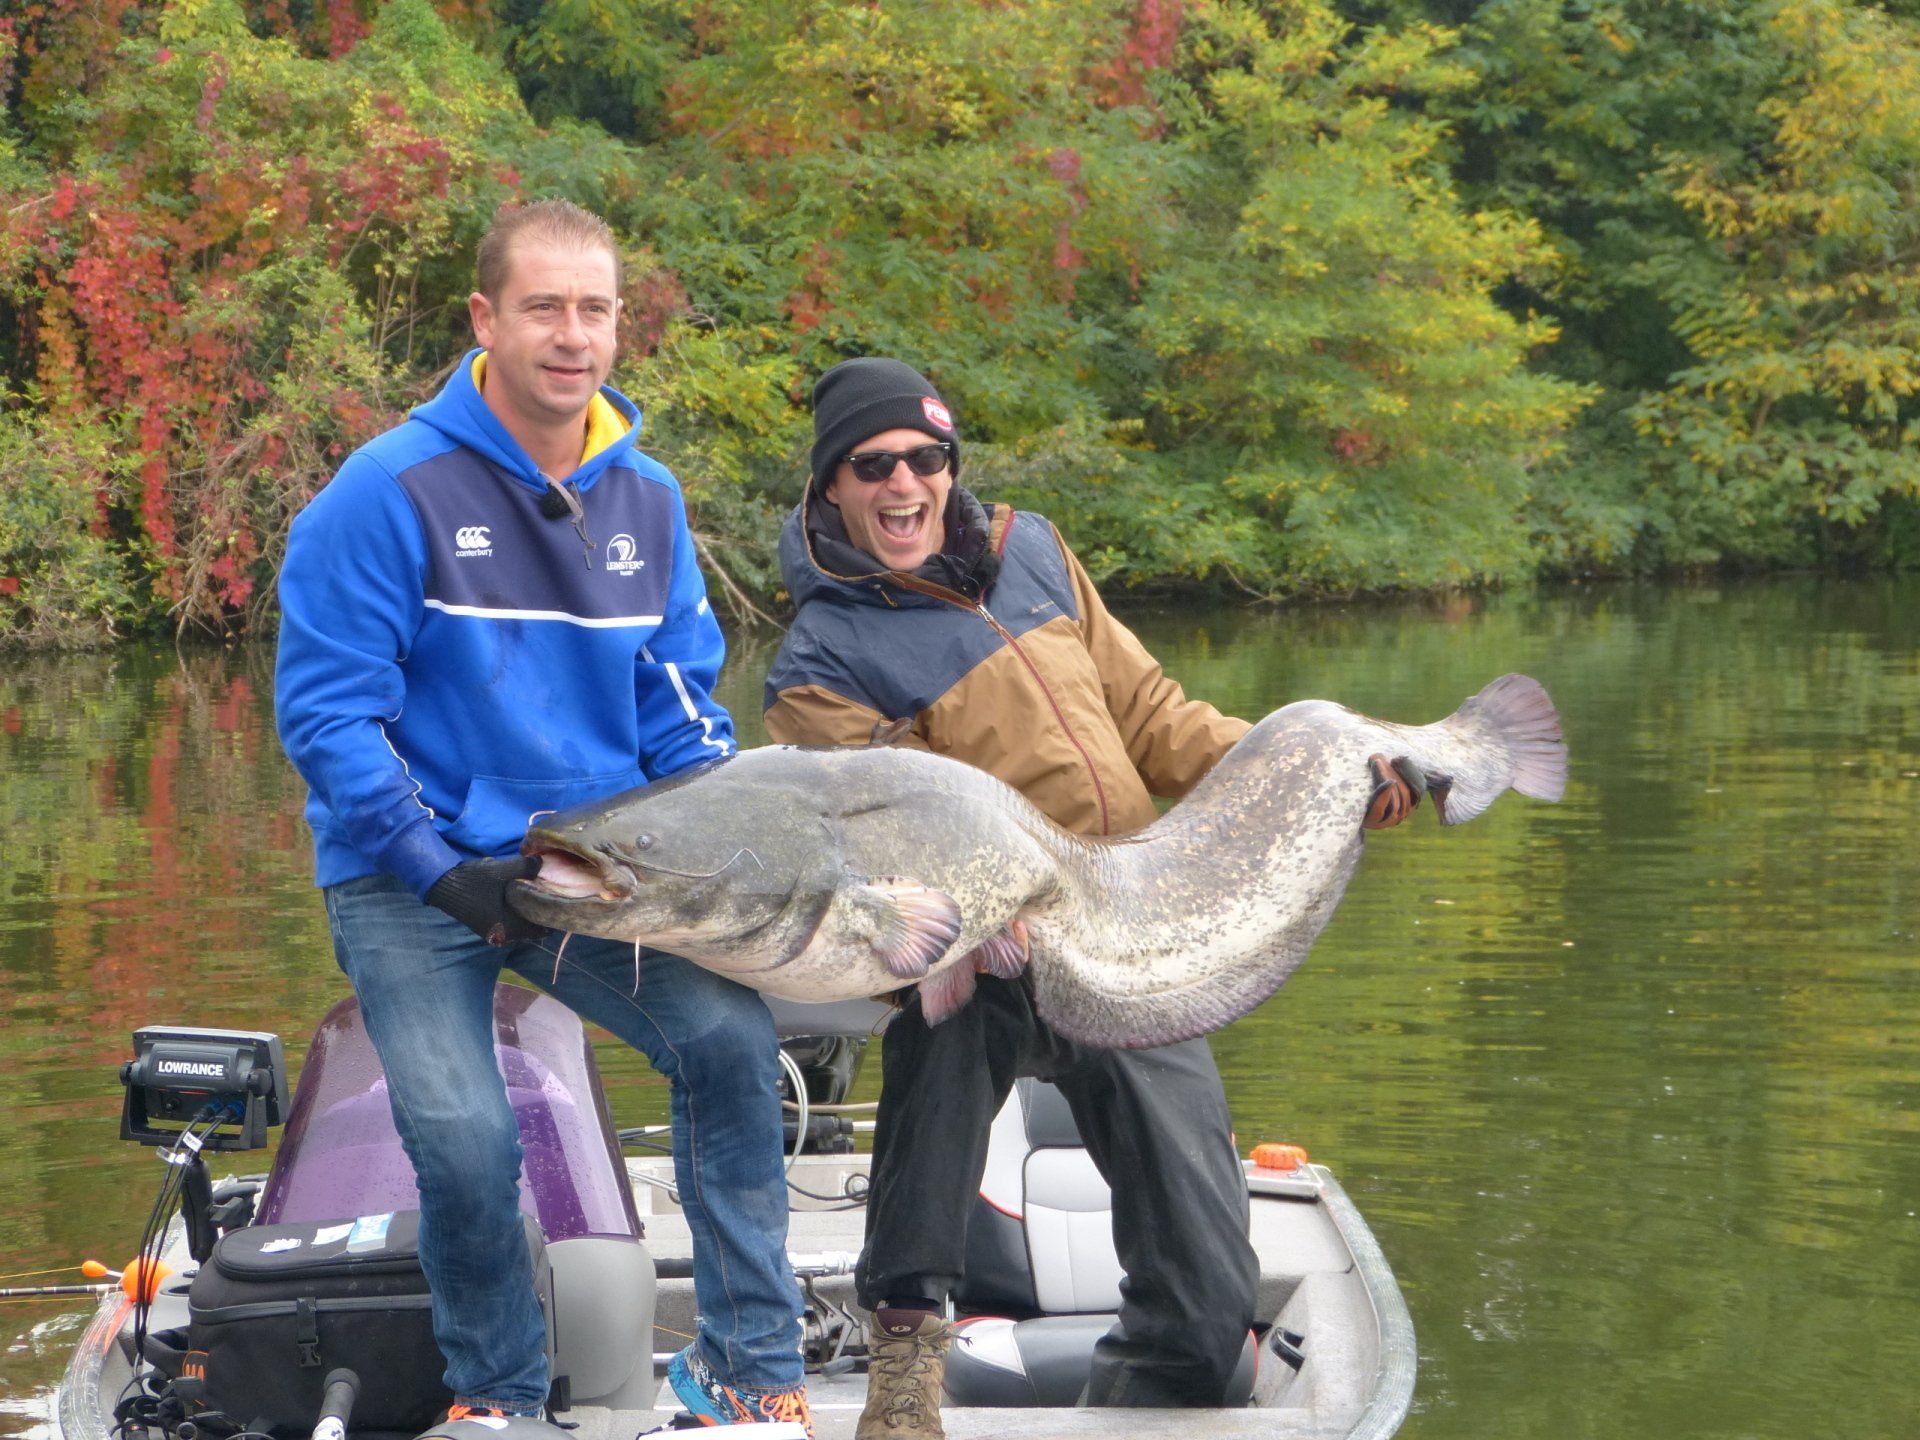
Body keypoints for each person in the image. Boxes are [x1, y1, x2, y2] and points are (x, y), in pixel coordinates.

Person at [762, 357, 1419, 1439]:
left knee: (1209, 1308)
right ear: (831, 485)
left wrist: (1322, 783)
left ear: (950, 464)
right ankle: (905, 1358)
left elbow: (1155, 718)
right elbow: (892, 853)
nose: (902, 484)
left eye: (924, 457)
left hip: (1130, 938)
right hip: (981, 943)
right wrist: (981, 915)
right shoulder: (819, 660)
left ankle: (1140, 1397)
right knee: (942, 1028)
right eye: (871, 466)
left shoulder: (1032, 550)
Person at [275, 200, 811, 1432]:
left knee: (730, 1044)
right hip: (406, 875)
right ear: (485, 318)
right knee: (465, 1138)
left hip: (593, 869)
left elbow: (682, 718)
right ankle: (497, 1397)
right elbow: (328, 718)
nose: (573, 335)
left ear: (619, 327)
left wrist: (726, 852)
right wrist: (432, 863)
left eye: (595, 310)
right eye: (544, 307)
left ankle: (747, 1376)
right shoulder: (383, 492)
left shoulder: (650, 502)